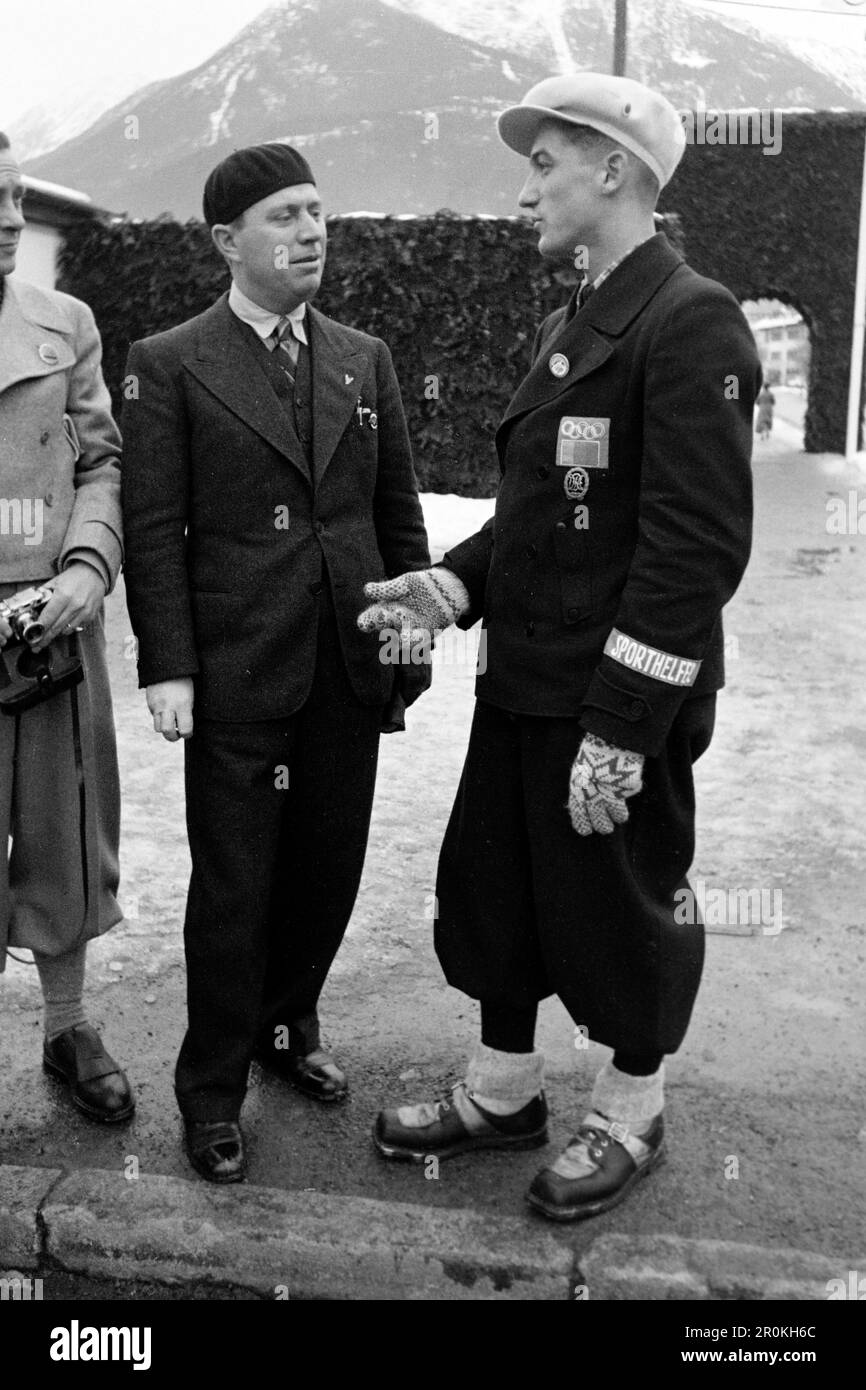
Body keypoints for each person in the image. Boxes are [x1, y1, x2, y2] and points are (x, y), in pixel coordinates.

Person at [358, 74, 760, 1221]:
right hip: (524, 681)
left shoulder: (689, 320)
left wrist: (622, 729)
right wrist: (450, 584)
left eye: (544, 163)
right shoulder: (568, 324)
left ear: (613, 170)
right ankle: (502, 1092)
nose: (527, 185)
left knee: (617, 907)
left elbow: (693, 548)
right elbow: (535, 517)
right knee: (498, 890)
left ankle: (632, 1109)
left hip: (612, 700)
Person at [121, 143, 430, 1183]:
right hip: (237, 672)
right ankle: (211, 1086)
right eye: (284, 216)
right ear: (226, 240)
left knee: (325, 871)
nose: (310, 232)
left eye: (316, 212)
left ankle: (287, 1029)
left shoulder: (362, 356)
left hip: (346, 664)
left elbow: (395, 508)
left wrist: (415, 607)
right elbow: (156, 526)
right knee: (234, 887)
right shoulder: (170, 362)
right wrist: (168, 667)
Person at [0, 131, 133, 1123]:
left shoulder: (64, 323)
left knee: (65, 829)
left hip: (51, 626)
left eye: (12, 197)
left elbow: (100, 461)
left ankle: (67, 1025)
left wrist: (88, 565)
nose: (10, 220)